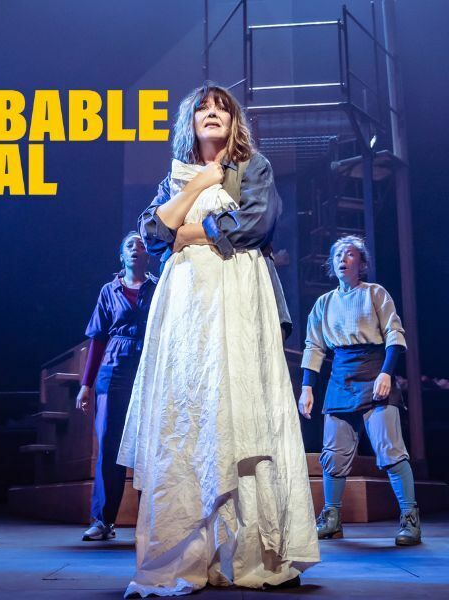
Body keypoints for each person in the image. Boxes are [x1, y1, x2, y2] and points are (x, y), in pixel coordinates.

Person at [117, 83, 319, 597]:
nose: (212, 115)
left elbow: (256, 221)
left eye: (221, 109)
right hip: (186, 303)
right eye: (203, 109)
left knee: (243, 415)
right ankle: (183, 556)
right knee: (188, 417)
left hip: (238, 293)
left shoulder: (255, 166)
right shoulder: (174, 176)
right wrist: (196, 187)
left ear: (234, 122)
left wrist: (187, 228)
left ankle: (253, 556)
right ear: (190, 122)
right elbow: (151, 232)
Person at [298, 235, 420, 546]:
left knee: (390, 449)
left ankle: (409, 517)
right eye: (338, 254)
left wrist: (386, 374)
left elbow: (394, 333)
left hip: (374, 370)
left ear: (361, 264)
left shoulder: (375, 294)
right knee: (333, 454)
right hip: (341, 377)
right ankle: (332, 517)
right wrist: (307, 388)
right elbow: (314, 347)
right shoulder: (323, 304)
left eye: (350, 254)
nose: (343, 258)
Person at [76, 232, 158, 541]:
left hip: (148, 368)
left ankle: (150, 521)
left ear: (148, 254)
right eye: (129, 245)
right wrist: (86, 384)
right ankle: (103, 520)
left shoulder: (159, 287)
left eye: (141, 245)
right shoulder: (108, 291)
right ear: (120, 255)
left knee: (147, 446)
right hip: (114, 369)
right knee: (109, 442)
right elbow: (97, 339)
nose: (136, 249)